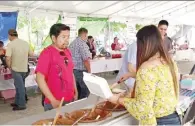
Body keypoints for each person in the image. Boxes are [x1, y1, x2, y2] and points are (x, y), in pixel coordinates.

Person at [108, 25, 180, 125]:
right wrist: (132, 76)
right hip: (174, 118)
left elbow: (142, 108)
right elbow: (158, 80)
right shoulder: (170, 61)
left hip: (159, 121)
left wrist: (119, 100)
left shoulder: (146, 67)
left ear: (143, 44)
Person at [35, 23, 78, 111]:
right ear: (54, 38)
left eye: (68, 37)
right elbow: (39, 79)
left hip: (70, 98)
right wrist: (52, 100)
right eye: (63, 37)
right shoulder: (47, 53)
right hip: (54, 102)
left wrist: (75, 90)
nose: (66, 40)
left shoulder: (68, 51)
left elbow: (70, 72)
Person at [6, 29, 34, 111]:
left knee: (19, 87)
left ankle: (21, 105)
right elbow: (32, 54)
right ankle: (17, 101)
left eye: (8, 36)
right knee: (19, 86)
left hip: (16, 68)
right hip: (24, 68)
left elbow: (8, 58)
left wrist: (9, 67)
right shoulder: (25, 43)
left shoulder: (10, 44)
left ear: (10, 35)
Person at [69, 28, 92, 100]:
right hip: (80, 71)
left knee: (77, 91)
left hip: (72, 71)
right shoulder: (82, 44)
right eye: (86, 35)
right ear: (85, 34)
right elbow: (85, 60)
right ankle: (83, 107)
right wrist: (89, 71)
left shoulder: (72, 43)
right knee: (85, 91)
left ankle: (77, 106)